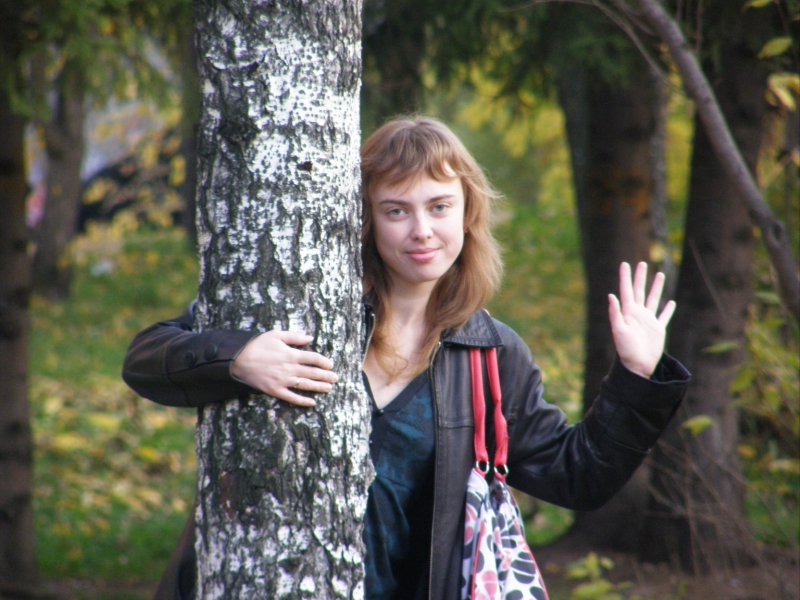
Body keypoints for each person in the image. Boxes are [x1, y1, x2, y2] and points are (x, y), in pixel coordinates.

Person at [123, 116, 690, 600]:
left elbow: (578, 477)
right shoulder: (304, 303)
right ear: (366, 218)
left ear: (467, 211)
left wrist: (637, 377)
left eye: (439, 206)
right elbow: (146, 357)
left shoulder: (490, 355)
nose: (422, 231)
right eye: (396, 211)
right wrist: (238, 357)